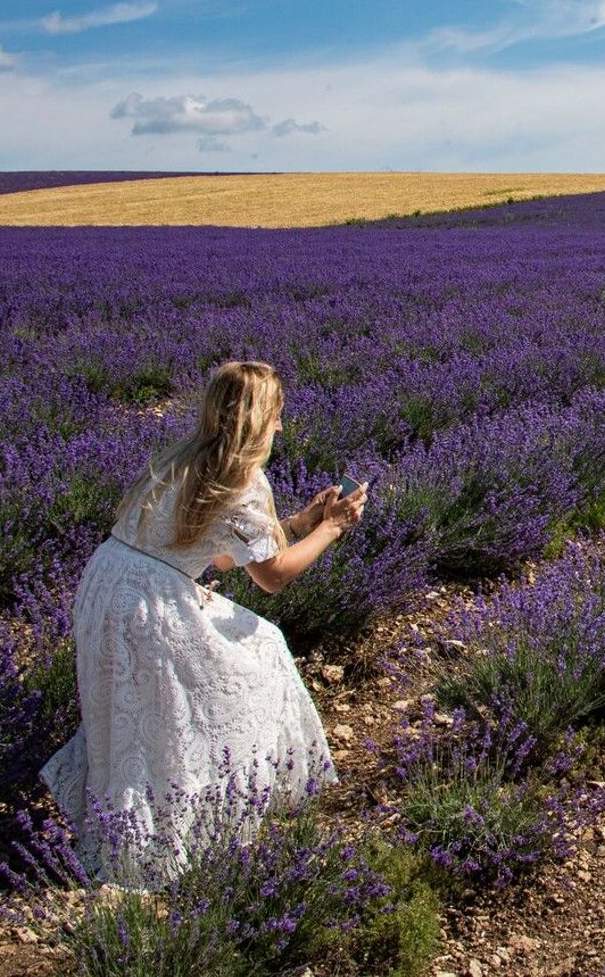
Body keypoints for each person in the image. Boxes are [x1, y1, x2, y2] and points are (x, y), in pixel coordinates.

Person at [39, 360, 368, 886]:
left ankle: (141, 811)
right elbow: (273, 577)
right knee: (251, 658)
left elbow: (218, 556)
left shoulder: (184, 459)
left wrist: (302, 521)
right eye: (278, 415)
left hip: (107, 586)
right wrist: (330, 529)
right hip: (151, 604)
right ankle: (202, 811)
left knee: (145, 707)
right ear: (261, 419)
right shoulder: (242, 481)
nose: (282, 426)